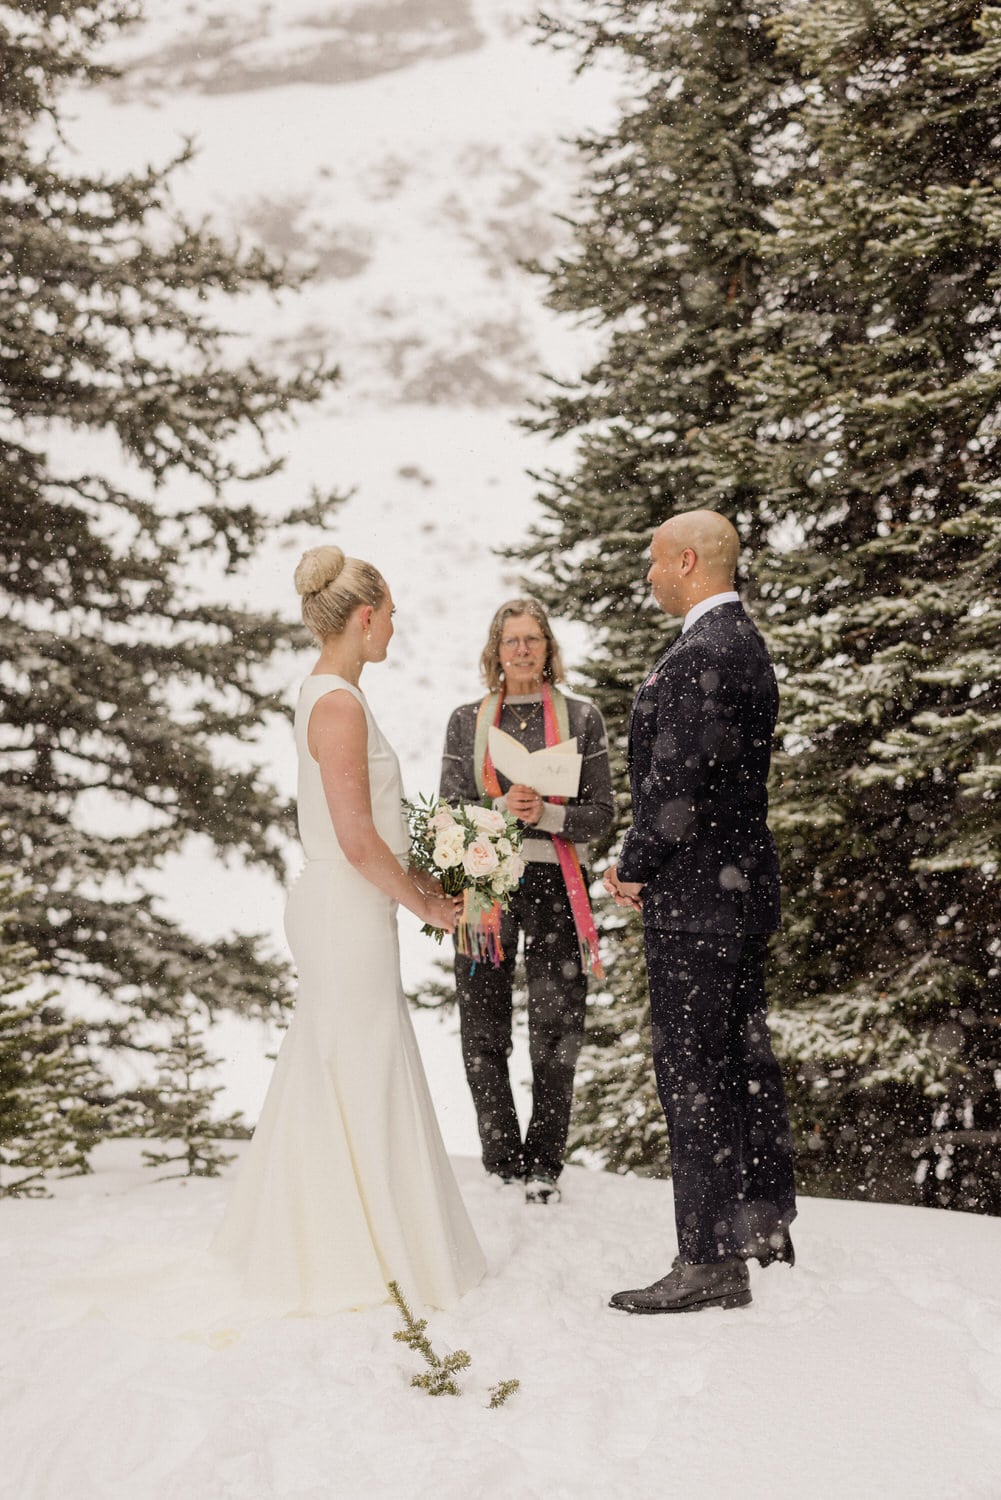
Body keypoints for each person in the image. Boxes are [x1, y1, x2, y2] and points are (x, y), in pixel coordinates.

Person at [213, 546, 486, 1313]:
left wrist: (421, 879)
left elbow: (372, 840)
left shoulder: (330, 694)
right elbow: (357, 837)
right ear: (364, 617)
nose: (394, 627)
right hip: (344, 907)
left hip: (351, 902)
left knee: (346, 1061)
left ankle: (346, 1238)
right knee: (358, 1063)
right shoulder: (336, 702)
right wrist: (425, 905)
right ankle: (353, 1256)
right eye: (390, 614)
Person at [604, 511, 797, 1314]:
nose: (647, 575)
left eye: (654, 562)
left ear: (687, 561)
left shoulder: (701, 657)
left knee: (693, 1075)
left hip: (695, 903)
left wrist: (632, 866)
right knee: (740, 1062)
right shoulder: (739, 644)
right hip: (737, 891)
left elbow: (674, 791)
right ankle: (754, 1224)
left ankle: (709, 1258)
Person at [440, 598, 614, 1205]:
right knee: (482, 1025)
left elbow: (602, 816)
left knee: (555, 1027)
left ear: (548, 647)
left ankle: (545, 1163)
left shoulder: (581, 717)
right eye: (511, 640)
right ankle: (501, 1158)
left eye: (532, 640)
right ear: (495, 650)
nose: (521, 651)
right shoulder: (468, 720)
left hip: (556, 885)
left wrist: (549, 812)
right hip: (488, 883)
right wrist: (499, 810)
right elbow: (448, 812)